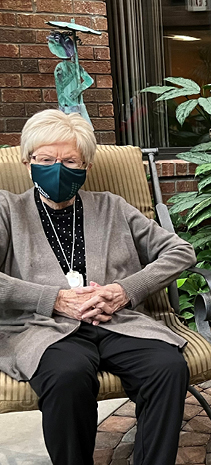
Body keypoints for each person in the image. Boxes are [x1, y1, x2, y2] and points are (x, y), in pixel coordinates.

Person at [0, 109, 197, 465]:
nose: (57, 168)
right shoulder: (6, 210)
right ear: (27, 162)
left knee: (167, 367)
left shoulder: (111, 206)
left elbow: (181, 251)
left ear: (86, 165)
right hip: (43, 329)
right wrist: (54, 299)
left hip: (116, 321)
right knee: (67, 376)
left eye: (70, 160)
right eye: (46, 159)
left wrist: (125, 290)